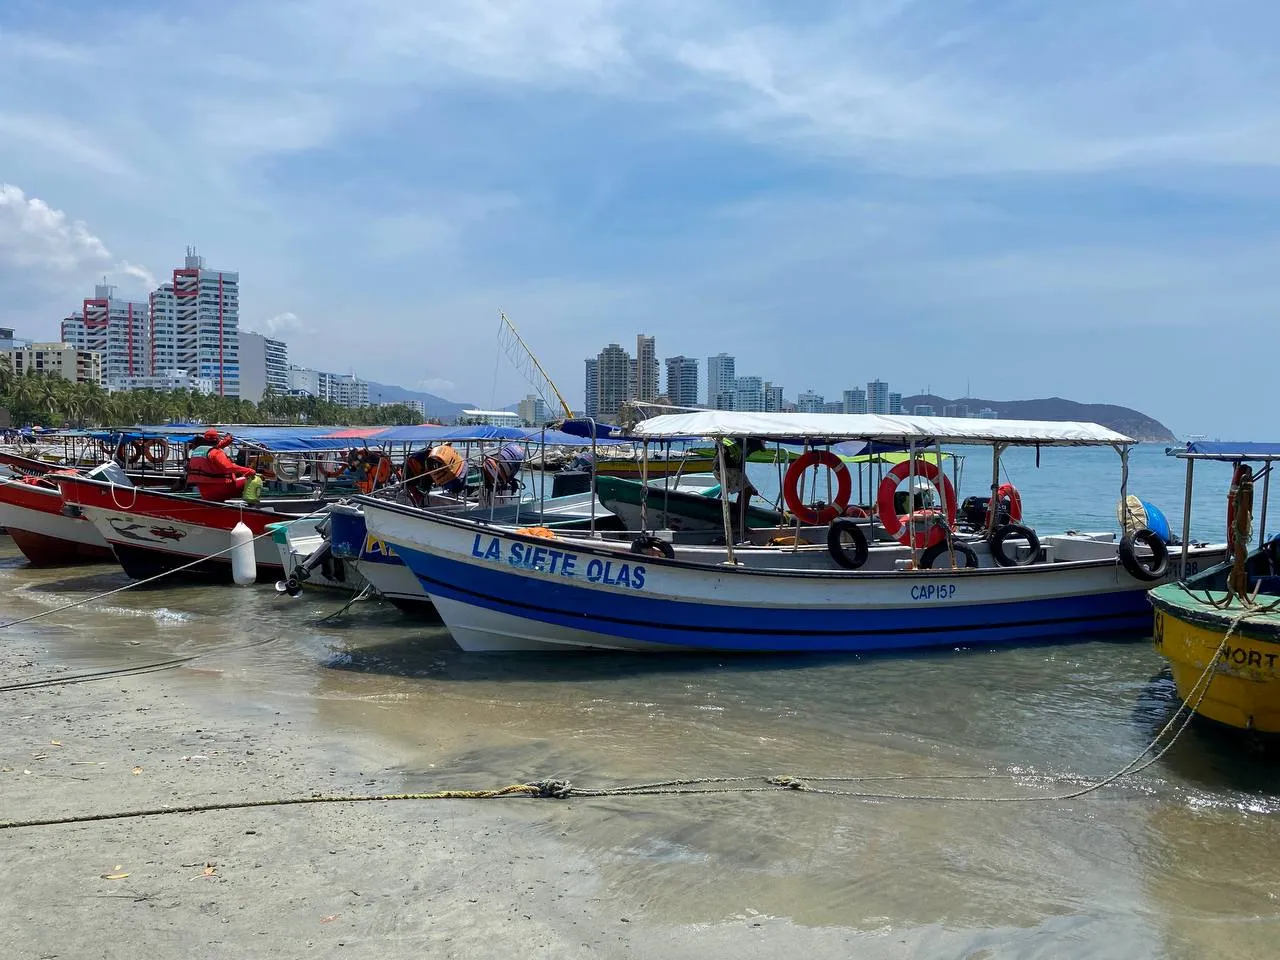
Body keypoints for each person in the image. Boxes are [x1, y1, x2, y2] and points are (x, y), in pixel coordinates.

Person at [714, 437, 765, 540]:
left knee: (746, 490)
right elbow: (740, 468)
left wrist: (750, 486)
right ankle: (739, 525)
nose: (755, 450)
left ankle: (738, 523)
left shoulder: (739, 442)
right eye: (758, 447)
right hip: (726, 468)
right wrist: (751, 486)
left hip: (720, 467)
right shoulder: (745, 444)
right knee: (747, 491)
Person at [186, 428, 255, 502]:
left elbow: (212, 449)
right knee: (253, 478)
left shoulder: (197, 450)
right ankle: (252, 504)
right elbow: (228, 467)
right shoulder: (216, 453)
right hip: (222, 488)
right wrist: (249, 471)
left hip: (204, 489)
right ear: (217, 439)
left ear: (204, 440)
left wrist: (226, 441)